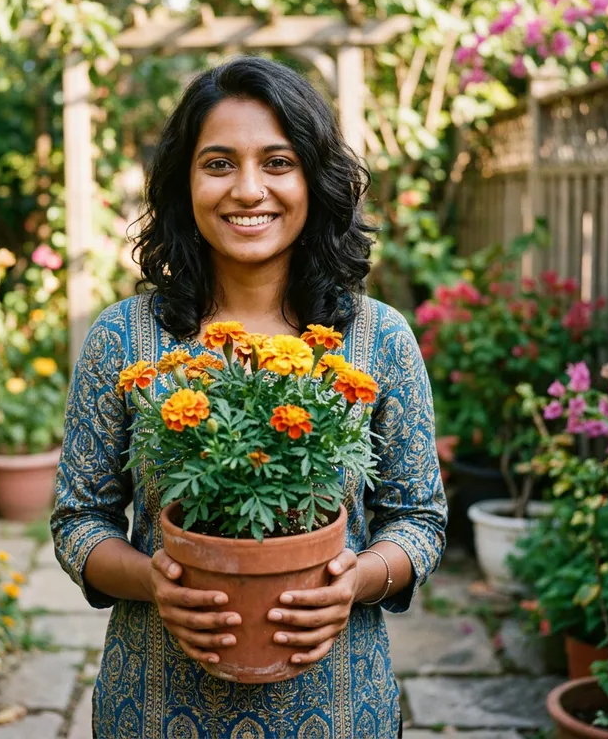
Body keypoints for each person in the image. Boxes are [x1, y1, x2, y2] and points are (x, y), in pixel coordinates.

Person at [51, 56, 447, 739]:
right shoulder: (124, 338)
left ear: (313, 179)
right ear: (184, 183)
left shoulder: (378, 338)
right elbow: (77, 519)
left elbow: (420, 518)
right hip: (154, 707)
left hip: (340, 708)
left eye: (277, 162)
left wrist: (361, 578)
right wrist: (155, 581)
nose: (248, 189)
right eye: (217, 164)